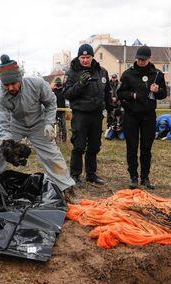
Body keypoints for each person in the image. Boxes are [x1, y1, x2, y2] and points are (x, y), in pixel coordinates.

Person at [0, 54, 76, 203]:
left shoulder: (37, 84)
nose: (10, 88)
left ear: (20, 78)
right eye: (7, 85)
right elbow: (2, 122)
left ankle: (67, 189)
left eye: (13, 83)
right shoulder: (1, 97)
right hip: (16, 125)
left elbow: (50, 102)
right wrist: (6, 142)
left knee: (52, 153)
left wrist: (49, 122)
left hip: (38, 123)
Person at [117, 45, 167, 190]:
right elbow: (120, 93)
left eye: (144, 60)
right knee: (131, 147)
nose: (141, 62)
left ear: (149, 59)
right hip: (131, 115)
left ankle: (145, 177)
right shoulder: (128, 74)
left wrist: (158, 91)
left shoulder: (157, 74)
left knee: (146, 147)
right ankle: (133, 176)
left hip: (148, 116)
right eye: (139, 59)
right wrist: (132, 95)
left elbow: (163, 94)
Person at [63, 44, 111, 187]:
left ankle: (91, 174)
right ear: (78, 57)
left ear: (92, 57)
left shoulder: (102, 72)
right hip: (80, 114)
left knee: (94, 146)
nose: (85, 60)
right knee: (79, 145)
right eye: (82, 57)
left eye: (88, 57)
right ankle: (75, 175)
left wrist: (111, 111)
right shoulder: (71, 73)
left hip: (96, 114)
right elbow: (67, 93)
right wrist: (80, 84)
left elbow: (107, 93)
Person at [52, 77, 67, 142]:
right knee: (53, 125)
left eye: (59, 83)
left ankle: (63, 139)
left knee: (63, 125)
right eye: (57, 83)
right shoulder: (52, 91)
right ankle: (53, 139)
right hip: (54, 111)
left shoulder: (64, 90)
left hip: (62, 111)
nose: (58, 84)